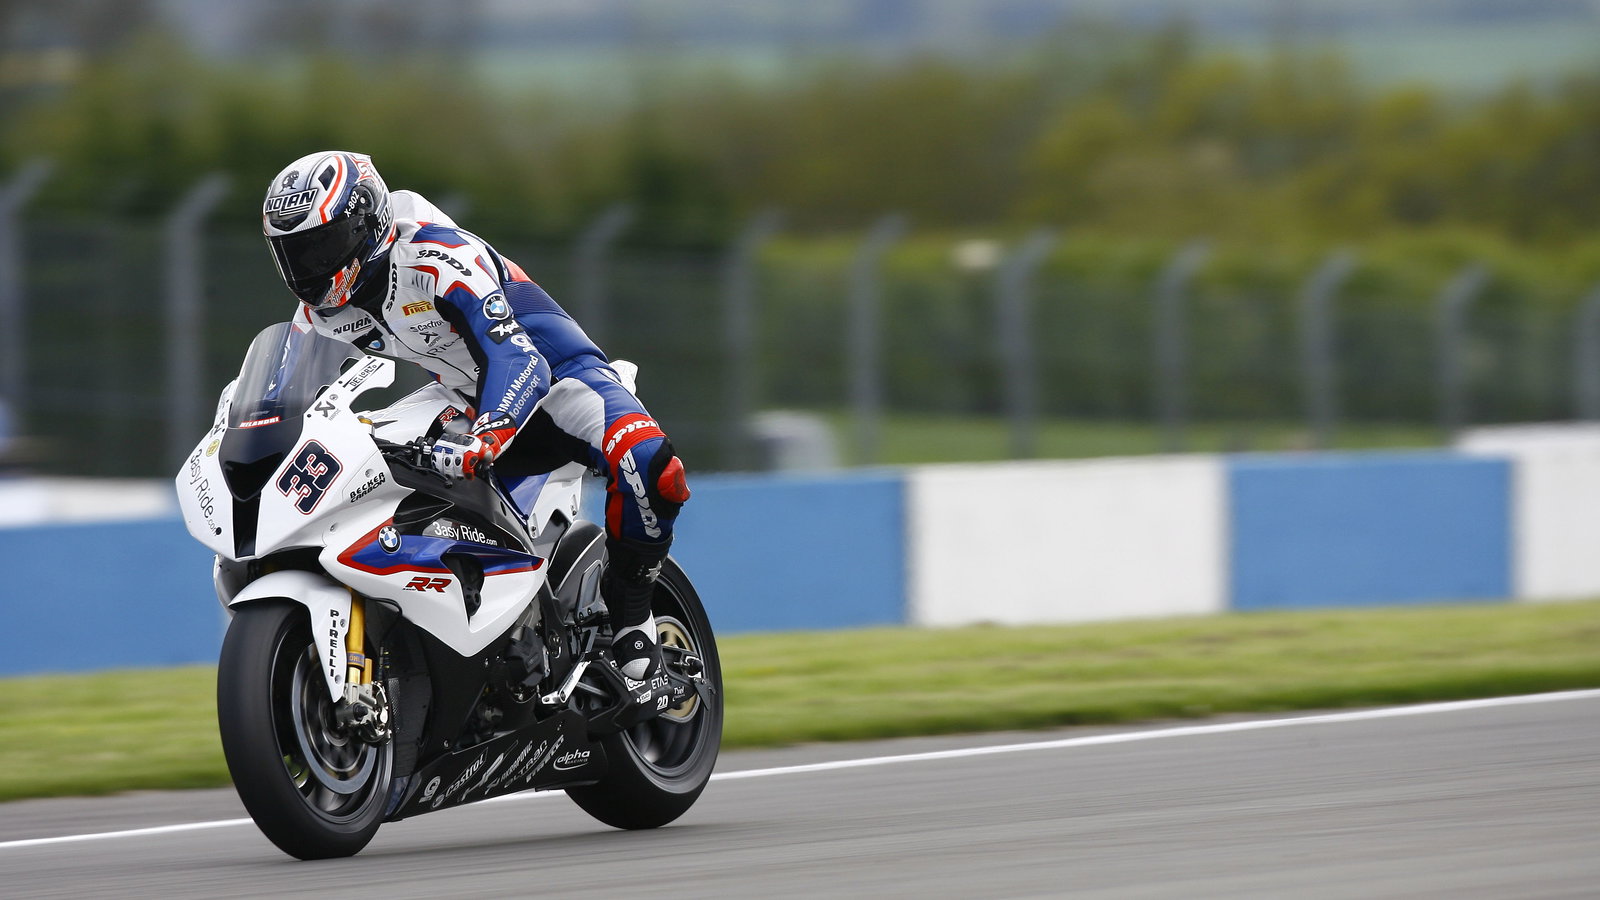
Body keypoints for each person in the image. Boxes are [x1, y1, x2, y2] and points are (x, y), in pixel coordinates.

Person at [261, 150, 688, 713]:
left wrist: (485, 436)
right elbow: (287, 395)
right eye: (295, 253)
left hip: (554, 377)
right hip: (462, 397)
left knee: (653, 466)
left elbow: (516, 358)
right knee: (361, 471)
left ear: (366, 225)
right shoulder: (318, 311)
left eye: (322, 247)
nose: (311, 268)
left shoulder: (436, 255)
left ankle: (634, 626)